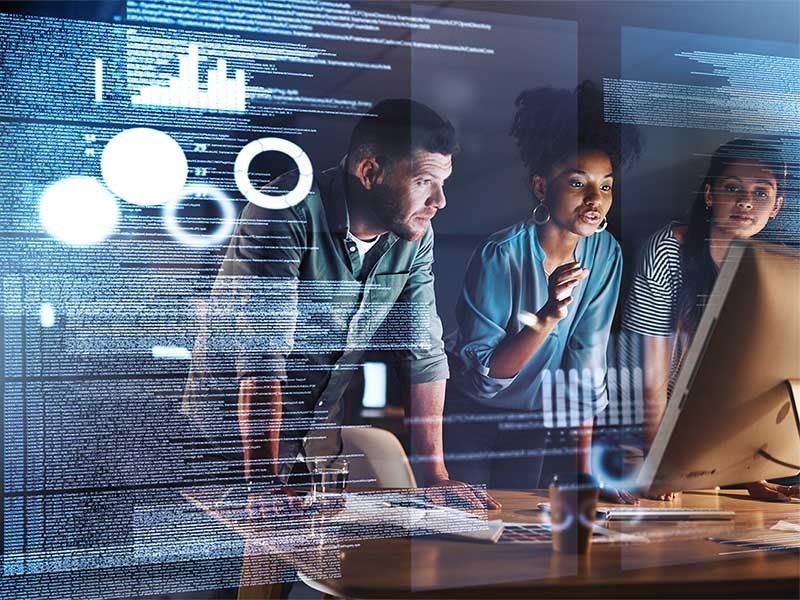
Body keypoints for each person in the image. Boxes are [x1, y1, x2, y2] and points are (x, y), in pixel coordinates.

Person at [185, 98, 497, 510]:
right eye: (424, 181)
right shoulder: (285, 209)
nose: (439, 201)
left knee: (319, 574)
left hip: (319, 453)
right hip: (234, 449)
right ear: (370, 172)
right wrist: (262, 482)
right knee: (243, 569)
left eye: (444, 183)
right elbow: (262, 358)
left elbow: (423, 352)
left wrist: (434, 475)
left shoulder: (415, 234)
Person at [443, 82, 641, 501]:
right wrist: (549, 314)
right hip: (470, 416)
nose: (595, 199)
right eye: (577, 183)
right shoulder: (501, 254)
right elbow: (487, 376)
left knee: (514, 541)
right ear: (540, 187)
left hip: (533, 420)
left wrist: (584, 476)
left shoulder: (606, 254)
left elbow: (588, 362)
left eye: (605, 186)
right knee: (465, 540)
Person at [622, 138, 797, 502]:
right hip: (645, 429)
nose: (746, 201)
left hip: (713, 438)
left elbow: (752, 378)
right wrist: (660, 465)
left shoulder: (775, 268)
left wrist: (752, 471)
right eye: (732, 188)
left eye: (761, 193)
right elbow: (648, 375)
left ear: (777, 206)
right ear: (709, 195)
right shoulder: (667, 249)